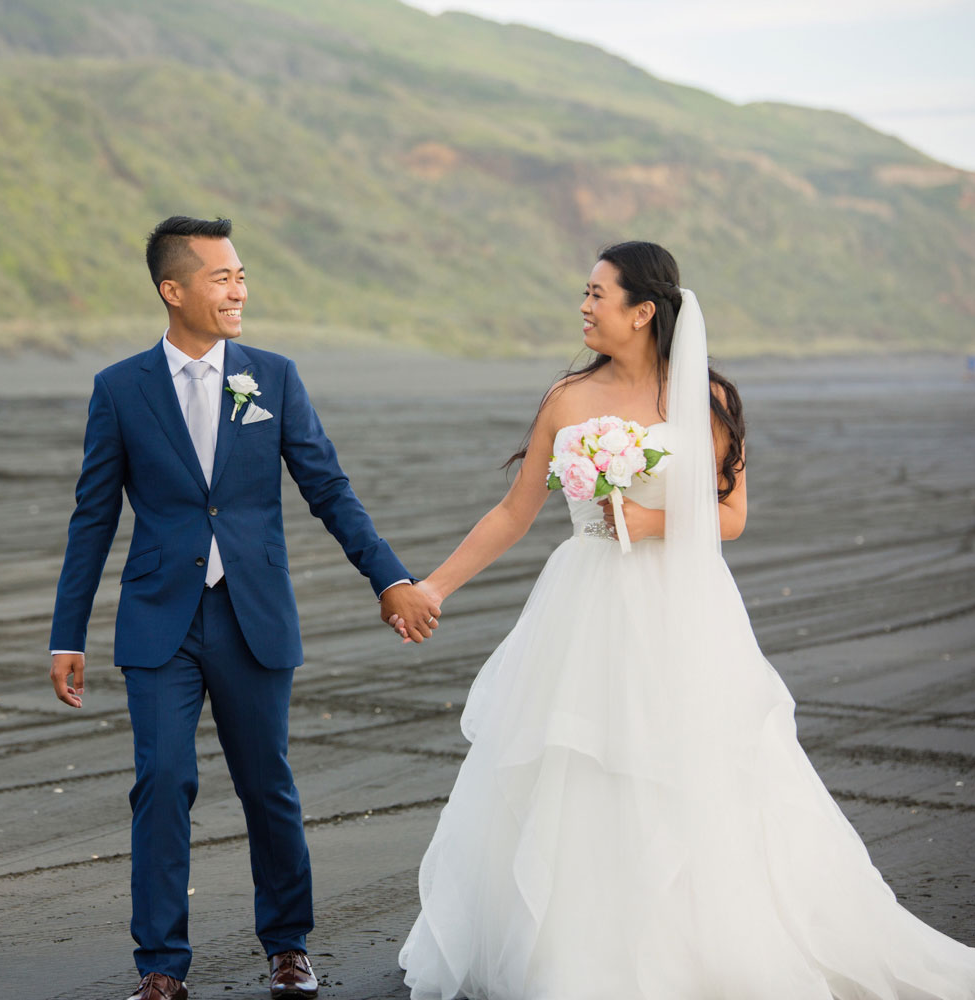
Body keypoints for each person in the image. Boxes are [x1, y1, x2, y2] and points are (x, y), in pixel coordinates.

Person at [391, 242, 975, 999]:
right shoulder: (566, 397)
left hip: (681, 608)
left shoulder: (705, 399)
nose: (584, 306)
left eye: (598, 294)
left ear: (643, 311)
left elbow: (731, 516)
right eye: (585, 292)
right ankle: (577, 950)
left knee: (690, 763)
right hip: (585, 603)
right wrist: (432, 587)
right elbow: (514, 511)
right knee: (579, 766)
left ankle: (695, 942)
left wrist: (653, 519)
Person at [49, 216, 442, 1000]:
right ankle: (160, 967)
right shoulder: (119, 389)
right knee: (161, 782)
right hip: (160, 617)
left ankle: (288, 946)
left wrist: (389, 578)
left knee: (267, 782)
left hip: (253, 613)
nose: (239, 290)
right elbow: (93, 516)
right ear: (174, 290)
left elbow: (327, 489)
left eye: (241, 276)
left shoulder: (275, 376)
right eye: (222, 277)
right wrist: (69, 633)